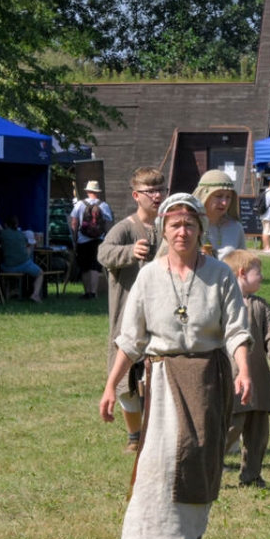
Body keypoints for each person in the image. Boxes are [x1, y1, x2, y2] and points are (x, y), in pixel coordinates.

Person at [99, 193, 252, 539]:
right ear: (163, 230)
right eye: (174, 225)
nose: (182, 232)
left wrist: (244, 369)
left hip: (207, 376)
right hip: (163, 377)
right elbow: (130, 338)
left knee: (198, 458)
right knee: (165, 459)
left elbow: (236, 329)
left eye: (189, 224)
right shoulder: (149, 276)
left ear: (200, 228)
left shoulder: (220, 275)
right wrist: (110, 385)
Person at [97, 166, 166, 454]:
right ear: (136, 195)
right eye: (150, 191)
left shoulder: (167, 226)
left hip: (161, 318)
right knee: (125, 379)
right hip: (126, 318)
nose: (157, 196)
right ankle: (134, 436)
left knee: (156, 377)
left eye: (161, 190)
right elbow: (103, 253)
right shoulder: (124, 228)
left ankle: (156, 433)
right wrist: (129, 252)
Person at [222, 249, 270, 488]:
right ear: (242, 273)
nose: (262, 277)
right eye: (258, 272)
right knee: (230, 427)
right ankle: (208, 469)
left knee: (258, 432)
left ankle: (251, 475)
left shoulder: (260, 305)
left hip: (258, 380)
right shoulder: (222, 303)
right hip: (232, 378)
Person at [71, 180, 113, 300]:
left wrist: (75, 237)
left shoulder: (79, 204)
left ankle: (87, 292)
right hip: (98, 239)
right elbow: (108, 223)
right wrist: (107, 238)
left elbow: (74, 222)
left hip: (82, 239)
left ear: (88, 191)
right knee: (95, 266)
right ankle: (93, 293)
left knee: (84, 266)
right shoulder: (104, 205)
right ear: (97, 192)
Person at [192, 170, 245, 259]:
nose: (224, 202)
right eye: (219, 196)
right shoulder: (189, 226)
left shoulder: (235, 228)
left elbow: (243, 262)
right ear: (204, 195)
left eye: (228, 197)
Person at [0, 215, 44, 303]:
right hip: (24, 264)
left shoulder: (2, 233)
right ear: (16, 225)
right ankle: (35, 294)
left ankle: (9, 291)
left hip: (7, 267)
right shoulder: (22, 234)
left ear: (5, 224)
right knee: (40, 273)